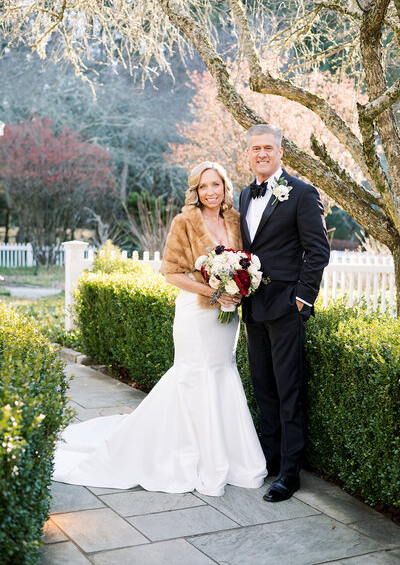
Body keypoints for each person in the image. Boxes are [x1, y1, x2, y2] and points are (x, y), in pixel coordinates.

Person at [52, 161, 267, 496]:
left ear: (225, 187)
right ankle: (188, 456)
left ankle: (229, 457)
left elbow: (245, 265)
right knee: (195, 375)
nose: (210, 192)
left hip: (227, 316)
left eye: (216, 185)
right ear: (195, 191)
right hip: (197, 315)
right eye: (203, 186)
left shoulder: (236, 221)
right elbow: (171, 274)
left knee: (222, 371)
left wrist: (236, 289)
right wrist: (214, 290)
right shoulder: (184, 222)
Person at [239, 124, 330, 502]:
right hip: (253, 306)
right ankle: (271, 460)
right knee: (264, 387)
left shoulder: (303, 193)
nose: (262, 154)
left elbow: (318, 250)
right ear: (248, 153)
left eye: (268, 148)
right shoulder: (244, 195)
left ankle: (289, 475)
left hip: (286, 307)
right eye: (255, 148)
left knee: (289, 390)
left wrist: (302, 299)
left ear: (280, 152)